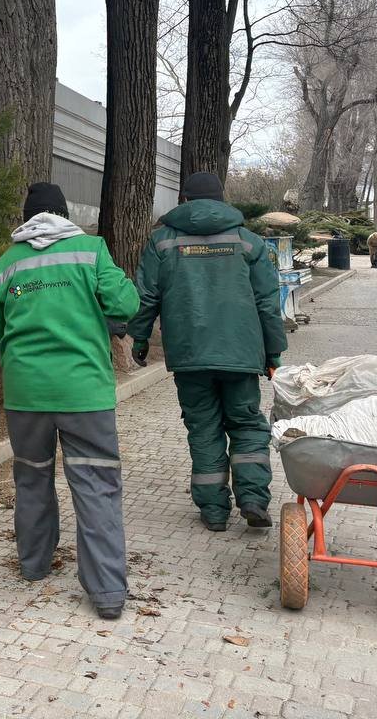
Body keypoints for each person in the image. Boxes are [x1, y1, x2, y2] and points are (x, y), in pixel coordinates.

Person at [0, 183, 140, 620]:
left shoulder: (6, 264)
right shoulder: (90, 251)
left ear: (27, 216)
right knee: (96, 484)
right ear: (65, 212)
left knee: (31, 477)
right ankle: (108, 593)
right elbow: (125, 302)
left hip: (25, 395)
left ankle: (33, 565)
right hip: (83, 393)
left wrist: (19, 370)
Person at [128, 171, 288, 533]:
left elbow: (147, 296)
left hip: (189, 354)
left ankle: (214, 511)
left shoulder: (162, 241)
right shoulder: (249, 242)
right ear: (221, 199)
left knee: (203, 428)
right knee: (246, 424)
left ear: (184, 199)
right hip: (241, 352)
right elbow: (267, 301)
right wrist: (273, 350)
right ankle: (253, 499)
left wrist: (138, 339)